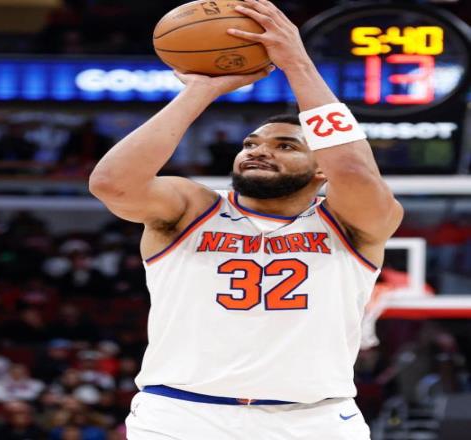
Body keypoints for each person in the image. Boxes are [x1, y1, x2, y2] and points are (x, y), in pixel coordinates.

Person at [89, 0, 403, 438]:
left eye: (286, 146)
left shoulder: (354, 222)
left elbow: (352, 169)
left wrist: (296, 63)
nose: (259, 151)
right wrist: (200, 91)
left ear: (322, 169)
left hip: (313, 420)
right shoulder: (191, 207)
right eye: (251, 143)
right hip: (182, 416)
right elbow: (111, 184)